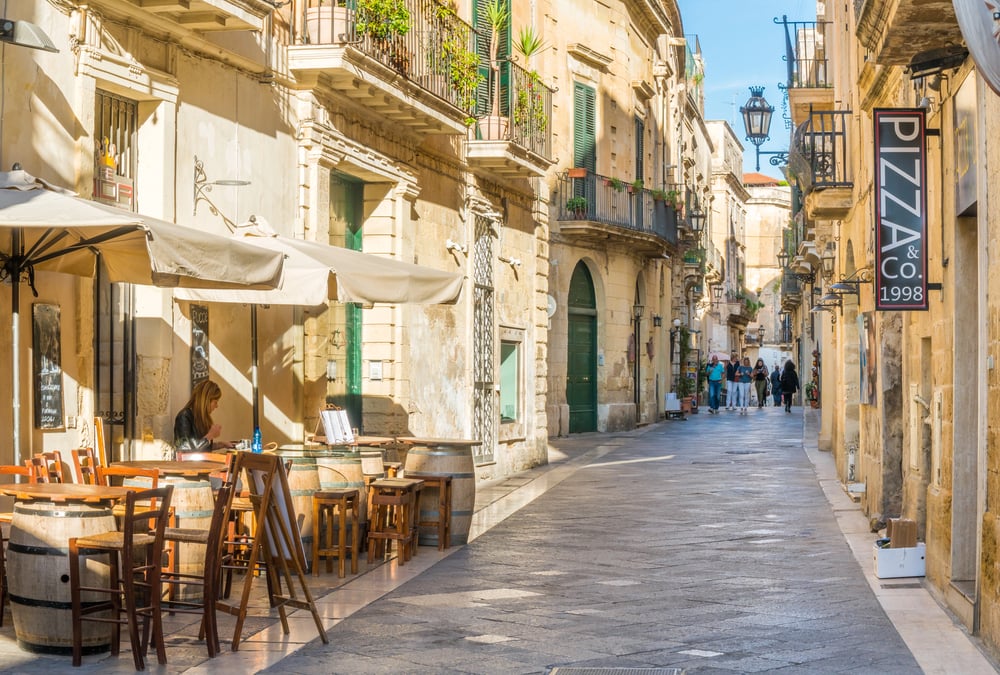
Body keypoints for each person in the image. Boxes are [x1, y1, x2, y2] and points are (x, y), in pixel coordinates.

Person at [174, 379, 231, 452]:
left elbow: (200, 447)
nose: (217, 406)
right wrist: (211, 435)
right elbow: (185, 449)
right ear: (206, 401)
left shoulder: (200, 418)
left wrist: (221, 444)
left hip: (202, 463)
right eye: (215, 402)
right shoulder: (184, 417)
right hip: (188, 463)